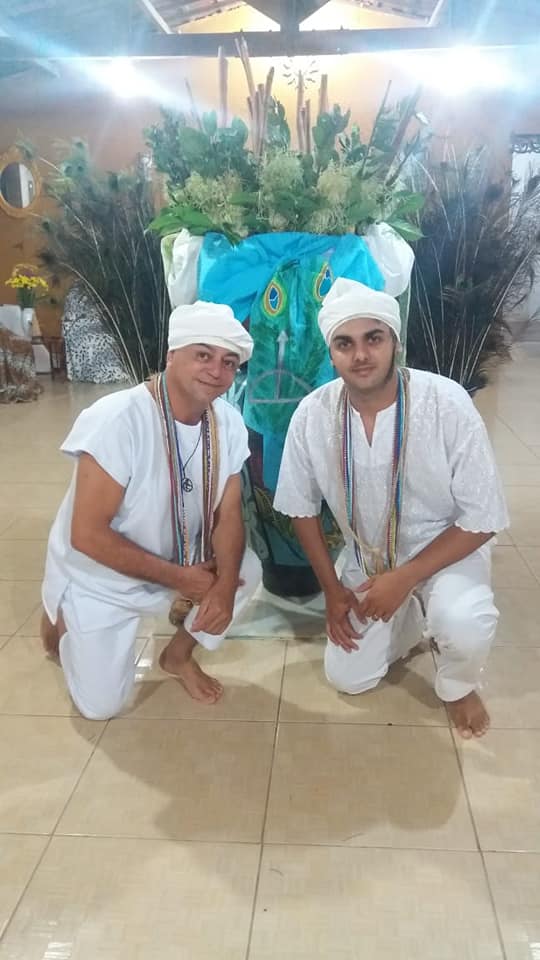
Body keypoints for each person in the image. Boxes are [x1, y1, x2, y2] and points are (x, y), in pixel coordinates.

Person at [274, 278, 509, 739]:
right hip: (367, 561)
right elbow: (301, 508)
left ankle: (459, 684)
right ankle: (409, 619)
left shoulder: (446, 402)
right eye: (345, 343)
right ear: (331, 353)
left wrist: (407, 577)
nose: (361, 355)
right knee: (348, 678)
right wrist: (332, 592)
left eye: (373, 338)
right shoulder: (312, 414)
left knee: (464, 623)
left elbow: (483, 517)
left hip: (447, 551)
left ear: (395, 343)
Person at [41, 301, 262, 720]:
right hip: (102, 578)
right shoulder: (117, 419)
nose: (216, 371)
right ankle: (63, 612)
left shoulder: (228, 422)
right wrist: (182, 579)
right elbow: (86, 535)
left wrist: (222, 584)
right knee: (101, 708)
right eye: (203, 355)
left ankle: (178, 656)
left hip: (182, 564)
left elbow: (229, 514)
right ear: (172, 355)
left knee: (245, 570)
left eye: (229, 362)